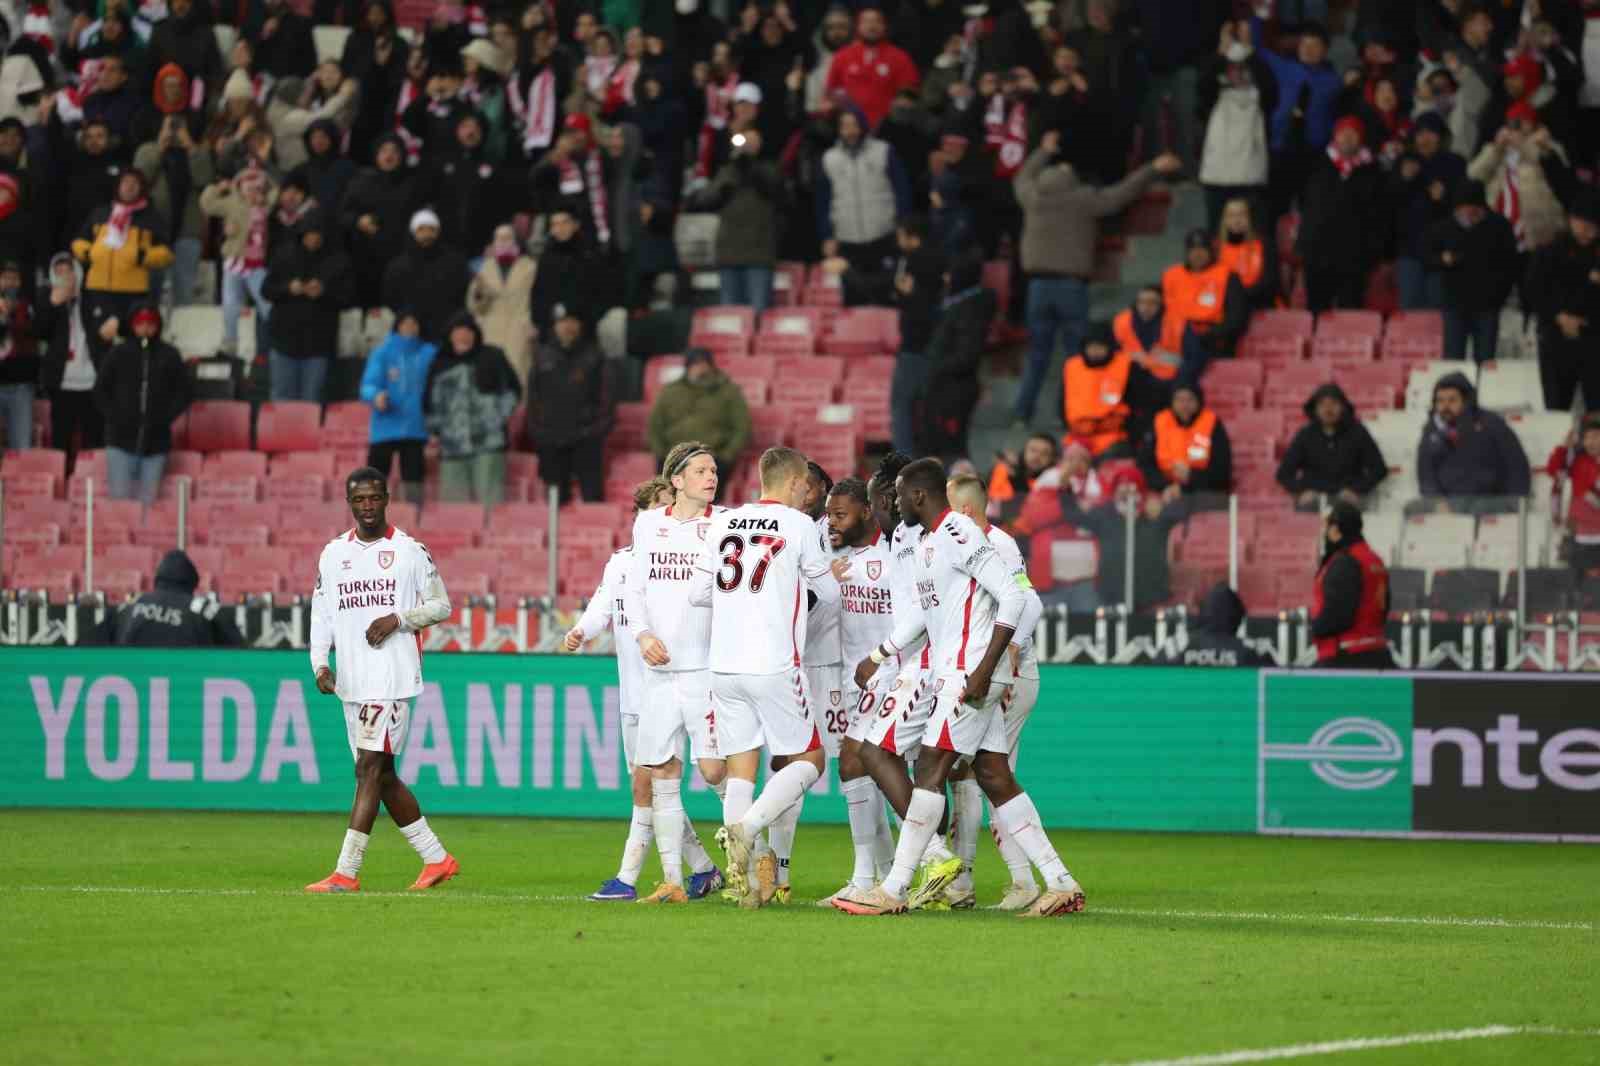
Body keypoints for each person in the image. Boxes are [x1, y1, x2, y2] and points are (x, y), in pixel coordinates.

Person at [831, 457, 1078, 919]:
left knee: (930, 768)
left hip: (969, 675)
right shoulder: (927, 543)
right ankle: (1061, 881)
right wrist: (880, 655)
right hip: (954, 671)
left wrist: (986, 669)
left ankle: (894, 887)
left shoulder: (958, 533)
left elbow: (1015, 594)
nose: (895, 503)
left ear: (918, 496)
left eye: (900, 494)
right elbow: (925, 619)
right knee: (993, 776)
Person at [693, 447, 839, 908]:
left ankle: (747, 884)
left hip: (725, 664)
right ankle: (748, 829)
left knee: (741, 768)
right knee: (811, 760)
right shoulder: (798, 525)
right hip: (774, 661)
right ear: (795, 483)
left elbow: (700, 592)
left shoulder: (723, 522)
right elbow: (830, 594)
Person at [567, 476, 724, 904]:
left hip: (675, 682)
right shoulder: (621, 564)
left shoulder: (692, 555)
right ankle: (705, 869)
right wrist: (580, 631)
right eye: (656, 508)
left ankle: (628, 876)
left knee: (669, 783)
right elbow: (603, 605)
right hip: (633, 696)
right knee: (654, 786)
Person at [306, 467, 457, 892]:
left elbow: (441, 605)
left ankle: (346, 872)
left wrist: (399, 619)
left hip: (391, 679)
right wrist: (319, 663)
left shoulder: (410, 551)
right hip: (351, 681)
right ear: (349, 503)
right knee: (381, 774)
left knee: (370, 769)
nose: (368, 506)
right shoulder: (333, 554)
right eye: (360, 499)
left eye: (375, 498)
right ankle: (437, 858)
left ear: (387, 498)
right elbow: (322, 614)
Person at [1012, 130, 1179, 425]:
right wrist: (1152, 169)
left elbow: (1021, 177)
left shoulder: (1033, 196)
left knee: (1038, 354)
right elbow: (1121, 194)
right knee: (1080, 357)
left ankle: (1022, 413)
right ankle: (1079, 411)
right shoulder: (1083, 198)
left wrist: (1043, 151)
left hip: (1037, 286)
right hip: (1071, 286)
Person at [624, 442, 729, 903]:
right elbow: (634, 587)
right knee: (663, 771)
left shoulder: (725, 524)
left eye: (714, 470)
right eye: (701, 470)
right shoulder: (649, 524)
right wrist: (643, 635)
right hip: (659, 672)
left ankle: (756, 862)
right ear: (677, 481)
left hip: (705, 669)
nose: (711, 477)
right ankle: (671, 879)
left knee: (714, 771)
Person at [944, 472, 1045, 910]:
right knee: (966, 772)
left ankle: (1023, 882)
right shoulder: (969, 544)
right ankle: (962, 881)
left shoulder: (997, 544)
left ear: (964, 510)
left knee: (991, 777)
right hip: (987, 675)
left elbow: (1031, 601)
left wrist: (1014, 649)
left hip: (1006, 678)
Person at [818, 475, 897, 906]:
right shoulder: (836, 560)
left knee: (855, 764)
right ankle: (876, 875)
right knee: (860, 771)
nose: (831, 522)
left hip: (894, 680)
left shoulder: (895, 556)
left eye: (840, 514)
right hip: (853, 683)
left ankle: (874, 875)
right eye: (829, 514)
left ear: (866, 511)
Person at [823, 214, 945, 455]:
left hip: (916, 344)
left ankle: (905, 464)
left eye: (900, 236)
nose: (897, 241)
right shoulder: (940, 261)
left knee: (901, 405)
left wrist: (846, 270)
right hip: (936, 343)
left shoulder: (913, 263)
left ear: (911, 238)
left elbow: (876, 287)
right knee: (925, 407)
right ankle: (927, 458)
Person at [93, 303, 191, 505]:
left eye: (150, 324)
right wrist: (115, 417)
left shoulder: (170, 355)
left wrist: (166, 417)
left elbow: (185, 392)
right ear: (132, 325)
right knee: (120, 503)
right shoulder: (118, 354)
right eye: (140, 324)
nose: (145, 328)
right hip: (119, 442)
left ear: (158, 325)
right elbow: (100, 391)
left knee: (149, 504)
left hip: (156, 443)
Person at [424, 313, 520, 506]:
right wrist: (435, 432)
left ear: (476, 333)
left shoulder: (493, 356)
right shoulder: (439, 363)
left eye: (468, 331)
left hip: (488, 444)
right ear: (449, 336)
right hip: (452, 447)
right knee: (454, 509)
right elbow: (429, 402)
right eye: (457, 331)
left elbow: (513, 390)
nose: (463, 336)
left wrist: (496, 418)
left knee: (491, 504)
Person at [263, 210, 354, 403]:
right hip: (284, 342)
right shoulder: (284, 255)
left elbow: (347, 298)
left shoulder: (338, 260)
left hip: (318, 345)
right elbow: (266, 290)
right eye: (309, 234)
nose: (313, 239)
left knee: (311, 402)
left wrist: (324, 292)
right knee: (282, 400)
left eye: (317, 235)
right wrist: (288, 288)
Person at [1296, 115, 1385, 312]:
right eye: (1342, 132)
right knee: (1316, 312)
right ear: (1335, 136)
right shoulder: (1317, 163)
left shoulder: (1372, 170)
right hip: (1317, 253)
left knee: (1350, 317)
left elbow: (1377, 216)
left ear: (1360, 138)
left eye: (1352, 133)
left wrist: (1372, 253)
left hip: (1355, 257)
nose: (1347, 137)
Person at [1424, 180, 1518, 363]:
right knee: (1453, 358)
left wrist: (1498, 297)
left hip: (1487, 305)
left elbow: (1510, 265)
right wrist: (1442, 259)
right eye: (1463, 209)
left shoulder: (1499, 227)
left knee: (1485, 360)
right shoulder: (1444, 226)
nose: (1467, 214)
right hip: (1454, 304)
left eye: (1473, 210)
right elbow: (1427, 257)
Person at [526, 307, 613, 504]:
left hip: (586, 439)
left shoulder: (595, 356)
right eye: (562, 322)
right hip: (551, 438)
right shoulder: (542, 357)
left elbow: (607, 399)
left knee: (592, 498)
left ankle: (594, 536)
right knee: (555, 501)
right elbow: (533, 399)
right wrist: (539, 432)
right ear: (555, 326)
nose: (567, 326)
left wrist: (595, 431)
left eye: (572, 321)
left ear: (580, 326)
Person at [34, 254, 111, 476]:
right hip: (62, 384)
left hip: (92, 383)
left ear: (77, 273)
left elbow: (104, 332)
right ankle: (62, 485)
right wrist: (53, 304)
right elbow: (39, 332)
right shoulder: (47, 299)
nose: (64, 277)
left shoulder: (92, 299)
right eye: (58, 273)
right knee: (61, 441)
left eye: (68, 271)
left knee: (94, 441)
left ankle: (91, 486)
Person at [71, 169, 175, 332]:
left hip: (134, 290)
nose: (129, 187)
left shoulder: (151, 217)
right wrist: (88, 253)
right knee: (99, 336)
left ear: (141, 188)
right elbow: (79, 241)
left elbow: (167, 253)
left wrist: (142, 256)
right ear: (118, 187)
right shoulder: (101, 212)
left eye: (134, 184)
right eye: (125, 183)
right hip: (98, 287)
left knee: (129, 337)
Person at [1525, 191, 1600, 412]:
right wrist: (1559, 316)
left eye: (1593, 226)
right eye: (1581, 223)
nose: (1586, 231)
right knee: (1556, 405)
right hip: (1555, 336)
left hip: (1593, 337)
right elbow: (1533, 290)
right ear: (1571, 220)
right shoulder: (1550, 250)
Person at [816, 104, 912, 276]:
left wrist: (902, 227)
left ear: (862, 126)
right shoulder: (829, 159)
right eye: (845, 126)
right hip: (846, 239)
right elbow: (823, 201)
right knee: (852, 297)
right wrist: (827, 236)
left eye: (854, 125)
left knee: (886, 293)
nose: (850, 131)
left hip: (883, 235)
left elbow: (902, 192)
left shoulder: (883, 151)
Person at [1198, 20, 1276, 229]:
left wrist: (1250, 53)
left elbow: (1271, 97)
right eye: (1237, 33)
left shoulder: (1263, 64)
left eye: (1246, 32)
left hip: (1251, 166)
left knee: (1252, 231)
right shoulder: (1213, 64)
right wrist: (1220, 54)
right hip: (1217, 167)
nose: (1241, 37)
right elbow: (1202, 95)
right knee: (1217, 231)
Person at [1418, 372, 1531, 514]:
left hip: (1493, 506)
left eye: (1452, 400)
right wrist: (1436, 502)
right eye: (1440, 401)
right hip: (1447, 509)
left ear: (1466, 401)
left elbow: (1516, 466)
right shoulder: (1431, 430)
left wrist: (1513, 506)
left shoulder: (1492, 424)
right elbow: (1425, 472)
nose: (1445, 406)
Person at [920, 250, 994, 461]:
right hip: (944, 387)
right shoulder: (957, 304)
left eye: (949, 273)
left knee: (951, 450)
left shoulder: (970, 310)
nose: (945, 278)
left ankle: (959, 492)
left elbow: (967, 355)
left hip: (954, 391)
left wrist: (936, 366)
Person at [1388, 113, 1466, 311]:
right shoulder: (1404, 162)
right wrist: (1404, 180)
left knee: (1437, 311)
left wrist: (1444, 198)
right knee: (1410, 310)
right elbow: (1389, 202)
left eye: (1431, 133)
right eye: (1420, 133)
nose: (1425, 139)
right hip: (1409, 249)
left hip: (1441, 250)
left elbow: (1464, 206)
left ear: (1440, 136)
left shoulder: (1455, 163)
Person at [1061, 322, 1169, 460]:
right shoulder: (1072, 367)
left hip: (1114, 436)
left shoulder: (1127, 367)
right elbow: (1063, 402)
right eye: (1091, 347)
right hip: (1078, 436)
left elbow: (1143, 402)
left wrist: (1133, 432)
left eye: (1099, 347)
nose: (1094, 352)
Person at [199, 169, 278, 359]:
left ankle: (277, 342)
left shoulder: (265, 206)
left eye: (256, 189)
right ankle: (230, 344)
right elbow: (207, 204)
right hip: (234, 261)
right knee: (230, 304)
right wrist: (218, 187)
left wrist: (265, 178)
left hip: (257, 264)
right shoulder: (232, 203)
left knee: (266, 304)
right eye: (248, 188)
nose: (252, 193)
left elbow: (276, 191)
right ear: (240, 188)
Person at [703, 124, 780, 313]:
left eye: (753, 141)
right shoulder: (727, 170)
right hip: (729, 252)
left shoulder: (770, 168)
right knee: (730, 316)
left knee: (759, 313)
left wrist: (750, 166)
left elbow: (776, 192)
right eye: (745, 141)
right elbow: (707, 199)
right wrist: (729, 176)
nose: (748, 145)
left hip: (759, 253)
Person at [360, 311, 435, 504]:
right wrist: (376, 396)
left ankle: (415, 518)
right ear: (397, 326)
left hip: (415, 428)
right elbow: (367, 385)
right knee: (375, 478)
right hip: (385, 426)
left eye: (414, 324)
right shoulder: (382, 353)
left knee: (413, 481)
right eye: (405, 324)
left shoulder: (429, 353)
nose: (409, 328)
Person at [1309, 501, 1395, 669]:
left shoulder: (1344, 562)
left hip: (1345, 655)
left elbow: (1337, 615)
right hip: (1376, 651)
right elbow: (1384, 608)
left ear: (1335, 531)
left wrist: (1315, 628)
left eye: (1325, 528)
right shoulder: (1374, 559)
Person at [645, 349, 750, 486]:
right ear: (687, 368)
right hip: (674, 459)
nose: (700, 369)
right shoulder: (670, 392)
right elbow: (654, 426)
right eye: (695, 364)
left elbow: (742, 428)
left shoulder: (729, 392)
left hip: (712, 459)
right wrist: (661, 453)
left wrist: (726, 457)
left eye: (703, 364)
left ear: (712, 367)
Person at [1277, 383, 1389, 510]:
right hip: (1314, 500)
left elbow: (1379, 470)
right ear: (1314, 408)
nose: (1328, 409)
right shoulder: (1305, 435)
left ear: (1343, 407)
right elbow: (1283, 474)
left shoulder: (1358, 433)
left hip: (1348, 498)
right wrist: (1301, 492)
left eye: (1333, 404)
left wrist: (1357, 490)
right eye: (1322, 404)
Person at [102, 549, 243, 646]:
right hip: (187, 685)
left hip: (136, 683)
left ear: (157, 579)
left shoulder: (129, 607)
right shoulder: (206, 610)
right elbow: (242, 652)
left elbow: (85, 649)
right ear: (192, 582)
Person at [1160, 229, 1247, 384]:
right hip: (1174, 339)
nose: (1197, 254)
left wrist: (1207, 335)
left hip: (1211, 339)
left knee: (1187, 366)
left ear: (1211, 252)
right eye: (1193, 250)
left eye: (1202, 250)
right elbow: (1164, 312)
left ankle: (1179, 391)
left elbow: (1236, 319)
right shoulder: (1171, 275)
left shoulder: (1228, 276)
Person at [383, 208, 471, 344]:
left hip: (446, 334)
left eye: (431, 229)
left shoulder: (455, 263)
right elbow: (391, 300)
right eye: (421, 229)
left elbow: (463, 297)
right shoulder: (397, 266)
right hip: (410, 335)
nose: (427, 234)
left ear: (438, 232)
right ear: (413, 232)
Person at [1137, 382, 1233, 506]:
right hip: (1164, 490)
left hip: (1203, 492)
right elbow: (1144, 464)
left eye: (1189, 399)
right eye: (1179, 399)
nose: (1184, 405)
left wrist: (1190, 477)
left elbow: (1222, 473)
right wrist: (1166, 486)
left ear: (1198, 401)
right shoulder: (1159, 422)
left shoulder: (1212, 424)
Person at [823, 7, 919, 129]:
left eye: (877, 22)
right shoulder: (842, 56)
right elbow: (832, 92)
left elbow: (909, 94)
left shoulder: (900, 58)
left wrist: (902, 104)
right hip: (849, 128)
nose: (872, 26)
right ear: (858, 26)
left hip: (888, 127)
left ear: (885, 26)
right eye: (866, 22)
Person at [468, 225, 537, 390]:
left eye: (507, 237)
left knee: (520, 378)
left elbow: (539, 298)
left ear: (515, 241)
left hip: (519, 330)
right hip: (491, 331)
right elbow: (473, 305)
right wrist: (480, 293)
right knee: (492, 379)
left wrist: (532, 325)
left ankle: (520, 415)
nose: (504, 242)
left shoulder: (530, 267)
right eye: (499, 238)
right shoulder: (485, 267)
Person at [1158, 582, 1267, 667]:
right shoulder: (1251, 652)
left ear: (1203, 612)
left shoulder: (1173, 649)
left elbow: (1150, 687)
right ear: (1236, 618)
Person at [1545, 416, 1600, 578]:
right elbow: (1553, 471)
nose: (1591, 442)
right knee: (1577, 582)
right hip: (1579, 533)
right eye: (1587, 438)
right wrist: (1564, 448)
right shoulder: (1577, 461)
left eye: (1596, 437)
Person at [1215, 197, 1278, 312]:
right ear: (1224, 220)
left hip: (1259, 303)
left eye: (1241, 215)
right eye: (1231, 215)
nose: (1236, 220)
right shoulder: (1216, 247)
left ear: (1250, 218)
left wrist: (1240, 296)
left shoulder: (1264, 245)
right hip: (1225, 305)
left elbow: (1269, 282)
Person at [1113, 285, 1184, 383]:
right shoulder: (1122, 321)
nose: (1146, 306)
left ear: (1161, 304)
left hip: (1167, 379)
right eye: (1141, 302)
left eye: (1152, 303)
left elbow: (1185, 357)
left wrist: (1147, 359)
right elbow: (1116, 353)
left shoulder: (1175, 322)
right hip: (1131, 377)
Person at [988, 433, 1058, 526]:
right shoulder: (1003, 470)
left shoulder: (1054, 481)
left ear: (1052, 459)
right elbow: (998, 506)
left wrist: (1018, 479)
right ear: (1024, 451)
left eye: (1044, 453)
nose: (1037, 456)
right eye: (1033, 450)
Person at [0, 282, 38, 449]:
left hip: (20, 387)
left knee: (21, 447)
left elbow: (34, 336)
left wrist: (10, 317)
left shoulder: (27, 308)